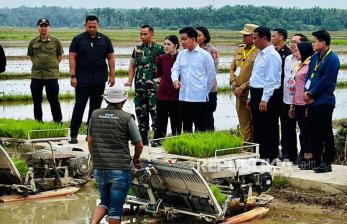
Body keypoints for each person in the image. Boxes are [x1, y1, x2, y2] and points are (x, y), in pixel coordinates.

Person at [88, 85, 143, 224]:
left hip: (100, 168)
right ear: (123, 101)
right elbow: (139, 144)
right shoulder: (126, 118)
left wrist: (95, 158)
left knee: (104, 202)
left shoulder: (95, 114)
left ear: (106, 100)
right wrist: (136, 159)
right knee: (115, 210)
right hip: (120, 169)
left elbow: (90, 140)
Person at [69, 15, 115, 144]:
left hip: (99, 79)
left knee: (95, 109)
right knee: (79, 106)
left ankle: (91, 135)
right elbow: (72, 57)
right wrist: (72, 76)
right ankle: (73, 134)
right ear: (85, 26)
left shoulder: (105, 40)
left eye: (94, 26)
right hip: (82, 78)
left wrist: (112, 75)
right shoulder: (78, 39)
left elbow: (111, 57)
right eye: (89, 26)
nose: (92, 28)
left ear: (98, 25)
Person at [304, 30, 340, 173]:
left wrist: (312, 93)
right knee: (314, 132)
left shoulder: (332, 59)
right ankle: (316, 159)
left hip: (324, 100)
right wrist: (306, 92)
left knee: (325, 131)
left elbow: (327, 81)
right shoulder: (315, 57)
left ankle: (327, 161)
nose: (312, 44)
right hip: (312, 100)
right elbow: (309, 75)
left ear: (323, 43)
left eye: (315, 41)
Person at [171, 27, 216, 133]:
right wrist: (175, 80)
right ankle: (187, 149)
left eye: (184, 39)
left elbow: (211, 76)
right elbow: (175, 69)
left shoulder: (205, 55)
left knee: (200, 127)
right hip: (184, 96)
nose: (182, 42)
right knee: (186, 127)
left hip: (199, 98)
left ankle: (200, 149)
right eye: (181, 39)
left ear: (193, 39)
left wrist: (204, 91)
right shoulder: (182, 54)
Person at [126, 25, 165, 145]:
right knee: (140, 112)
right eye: (141, 34)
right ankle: (142, 138)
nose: (143, 37)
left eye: (145, 34)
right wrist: (130, 80)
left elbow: (165, 67)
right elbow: (132, 65)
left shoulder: (159, 49)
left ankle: (157, 139)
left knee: (155, 113)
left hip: (154, 88)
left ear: (152, 34)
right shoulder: (137, 49)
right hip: (140, 87)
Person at [247, 26, 282, 163]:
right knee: (258, 126)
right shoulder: (260, 54)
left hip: (267, 94)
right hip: (257, 93)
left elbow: (271, 80)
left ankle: (270, 157)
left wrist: (264, 99)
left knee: (269, 127)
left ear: (264, 38)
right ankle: (260, 156)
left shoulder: (272, 56)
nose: (253, 41)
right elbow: (255, 77)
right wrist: (251, 96)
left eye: (255, 38)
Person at [27, 18, 63, 123]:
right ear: (38, 28)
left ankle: (57, 121)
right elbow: (32, 57)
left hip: (52, 76)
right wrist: (39, 64)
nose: (43, 28)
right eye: (41, 26)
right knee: (37, 101)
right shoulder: (33, 42)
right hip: (36, 76)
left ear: (49, 28)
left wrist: (52, 65)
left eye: (45, 26)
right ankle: (38, 122)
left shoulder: (56, 42)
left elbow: (59, 57)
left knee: (54, 100)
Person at [230, 23, 259, 142]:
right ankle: (246, 145)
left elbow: (257, 74)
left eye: (246, 35)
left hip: (251, 91)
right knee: (243, 120)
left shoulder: (259, 51)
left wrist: (242, 86)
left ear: (253, 36)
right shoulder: (240, 49)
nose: (243, 38)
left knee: (255, 120)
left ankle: (255, 146)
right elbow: (232, 68)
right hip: (238, 92)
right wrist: (233, 84)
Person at [272, 28, 297, 162]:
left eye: (274, 36)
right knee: (274, 124)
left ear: (281, 37)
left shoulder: (287, 54)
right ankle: (277, 150)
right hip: (275, 95)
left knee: (287, 125)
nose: (272, 38)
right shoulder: (273, 52)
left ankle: (289, 152)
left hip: (286, 95)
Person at [283, 33, 308, 163]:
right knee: (288, 128)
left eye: (295, 42)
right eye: (291, 42)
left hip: (303, 101)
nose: (292, 44)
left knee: (304, 130)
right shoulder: (288, 59)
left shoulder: (307, 62)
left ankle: (305, 156)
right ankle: (292, 155)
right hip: (290, 99)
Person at [288, 42, 314, 170]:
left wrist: (309, 105)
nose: (295, 53)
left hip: (305, 103)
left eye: (298, 51)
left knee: (307, 131)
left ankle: (309, 158)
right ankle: (303, 156)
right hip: (297, 102)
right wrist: (292, 105)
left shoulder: (310, 65)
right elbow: (295, 87)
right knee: (302, 132)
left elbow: (310, 86)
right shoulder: (301, 65)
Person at [154, 35, 181, 141]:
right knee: (160, 120)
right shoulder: (161, 58)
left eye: (169, 44)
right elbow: (159, 74)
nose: (166, 46)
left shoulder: (181, 58)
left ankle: (177, 140)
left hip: (177, 94)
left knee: (177, 120)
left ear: (176, 45)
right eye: (164, 44)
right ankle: (158, 141)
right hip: (162, 94)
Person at [196, 26, 219, 131]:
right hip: (195, 88)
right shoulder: (191, 49)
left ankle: (209, 135)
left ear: (205, 37)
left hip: (209, 88)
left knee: (208, 114)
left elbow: (213, 71)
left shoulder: (212, 50)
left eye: (199, 35)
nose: (196, 37)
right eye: (195, 35)